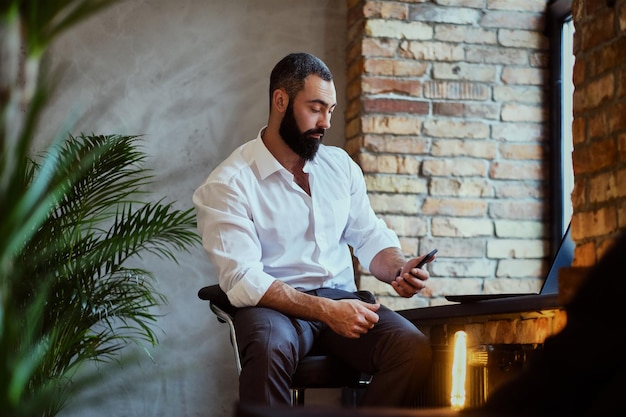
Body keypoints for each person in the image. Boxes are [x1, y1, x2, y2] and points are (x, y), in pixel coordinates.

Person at [192, 52, 432, 408]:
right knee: (268, 347)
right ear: (280, 101)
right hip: (276, 307)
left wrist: (399, 268)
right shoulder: (229, 183)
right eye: (316, 108)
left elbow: (368, 236)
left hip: (342, 301)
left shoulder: (339, 167)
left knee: (412, 349)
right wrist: (324, 311)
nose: (326, 122)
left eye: (330, 110)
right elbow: (242, 279)